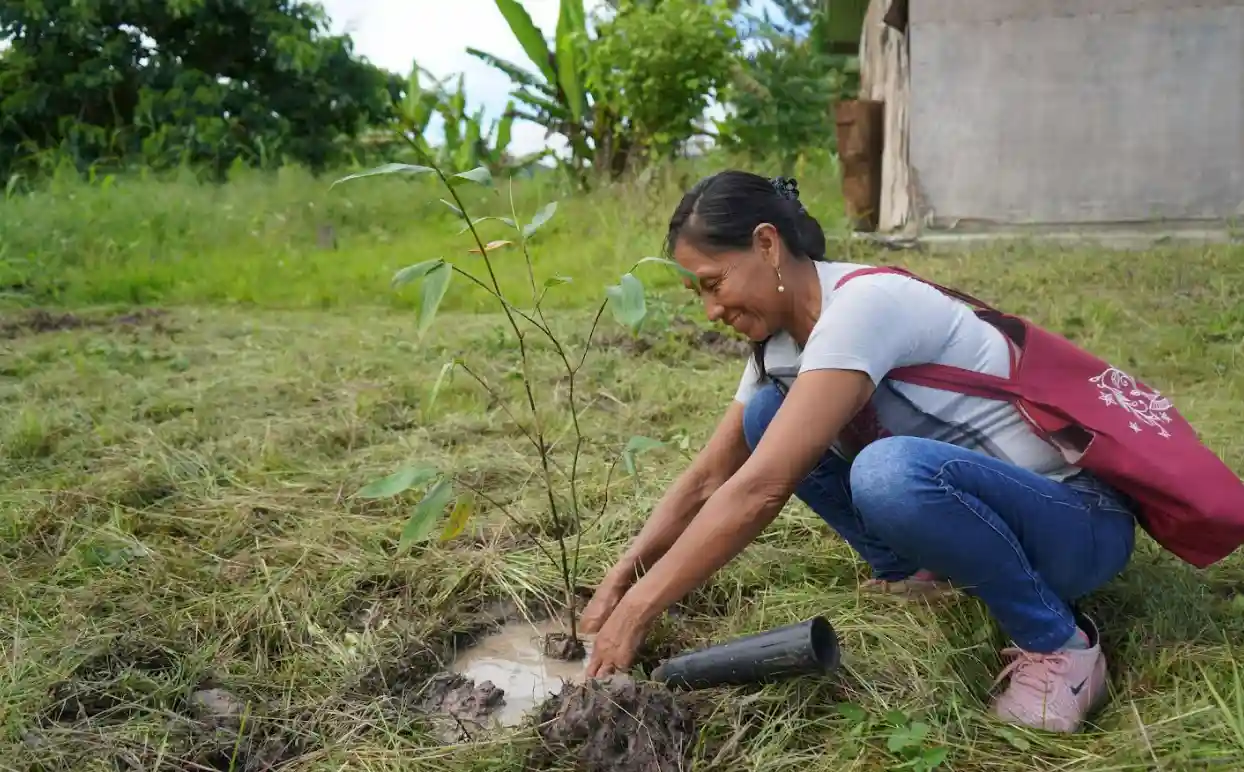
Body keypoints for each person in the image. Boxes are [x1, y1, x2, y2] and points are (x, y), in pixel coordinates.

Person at [579, 170, 1138, 734]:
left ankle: (1060, 645)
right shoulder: (781, 346)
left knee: (887, 473)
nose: (710, 310)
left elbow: (760, 487)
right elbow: (707, 479)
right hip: (991, 515)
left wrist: (637, 612)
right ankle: (919, 573)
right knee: (766, 415)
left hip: (1077, 525)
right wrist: (619, 579)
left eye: (713, 282)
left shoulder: (863, 307)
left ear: (767, 245)